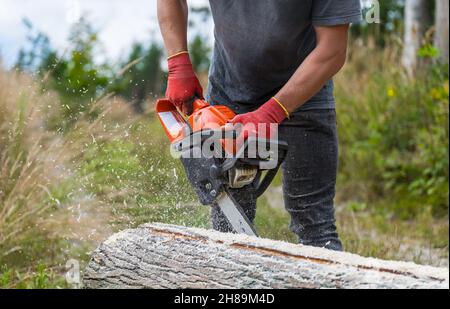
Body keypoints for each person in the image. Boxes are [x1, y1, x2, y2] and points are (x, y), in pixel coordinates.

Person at [157, 0, 362, 251]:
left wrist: (271, 113)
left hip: (306, 94)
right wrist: (178, 64)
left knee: (316, 228)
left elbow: (333, 50)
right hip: (230, 93)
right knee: (229, 225)